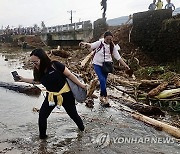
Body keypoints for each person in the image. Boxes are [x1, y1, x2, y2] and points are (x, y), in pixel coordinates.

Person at [16, 48, 86, 139]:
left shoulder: (55, 65)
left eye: (35, 62)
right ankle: (42, 139)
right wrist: (23, 79)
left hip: (66, 94)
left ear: (43, 58)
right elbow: (38, 81)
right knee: (42, 115)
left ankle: (82, 131)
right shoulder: (37, 70)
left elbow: (69, 75)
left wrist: (81, 85)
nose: (34, 64)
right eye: (32, 62)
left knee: (73, 115)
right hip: (51, 96)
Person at [79, 31, 130, 107]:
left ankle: (101, 96)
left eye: (110, 39)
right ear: (104, 38)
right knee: (102, 80)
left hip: (107, 66)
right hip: (97, 64)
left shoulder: (112, 46)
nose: (109, 41)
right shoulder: (100, 43)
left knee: (104, 82)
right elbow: (91, 45)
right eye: (107, 39)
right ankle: (105, 97)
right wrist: (85, 44)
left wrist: (126, 66)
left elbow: (118, 57)